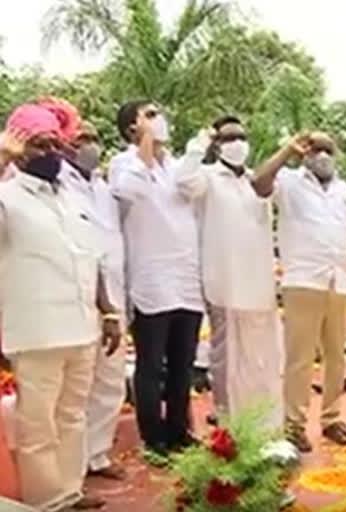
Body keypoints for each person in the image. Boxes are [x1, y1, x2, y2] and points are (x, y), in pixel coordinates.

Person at [0, 104, 121, 511]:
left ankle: (70, 491)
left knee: (72, 417)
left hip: (82, 326)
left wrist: (108, 311)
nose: (51, 152)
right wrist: (2, 159)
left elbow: (92, 256)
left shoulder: (71, 196)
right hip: (36, 332)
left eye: (55, 142)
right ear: (19, 150)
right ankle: (48, 502)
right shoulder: (7, 197)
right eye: (38, 144)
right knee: (38, 427)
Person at [253, 131, 346, 453]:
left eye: (327, 149)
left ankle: (332, 418)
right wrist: (286, 152)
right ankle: (293, 425)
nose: (321, 155)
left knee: (337, 356)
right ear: (305, 154)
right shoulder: (289, 182)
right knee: (300, 359)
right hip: (303, 281)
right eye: (315, 149)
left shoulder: (344, 190)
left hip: (340, 283)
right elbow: (258, 184)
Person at [110, 100, 204, 463]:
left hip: (186, 281)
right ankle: (154, 437)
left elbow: (195, 190)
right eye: (149, 116)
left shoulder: (179, 167)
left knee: (183, 365)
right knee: (151, 365)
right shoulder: (124, 164)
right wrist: (145, 146)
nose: (160, 120)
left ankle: (179, 431)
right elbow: (128, 193)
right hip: (150, 283)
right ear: (132, 129)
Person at [175, 116, 282, 426]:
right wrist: (201, 140)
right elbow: (182, 181)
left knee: (261, 362)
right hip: (225, 283)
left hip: (259, 285)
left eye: (241, 136)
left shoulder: (256, 180)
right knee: (228, 363)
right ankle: (231, 428)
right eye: (229, 138)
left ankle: (264, 427)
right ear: (218, 145)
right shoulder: (206, 177)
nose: (237, 143)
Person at [58, 122, 127, 482]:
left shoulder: (104, 186)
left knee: (111, 378)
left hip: (116, 289)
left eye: (94, 139)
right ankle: (71, 463)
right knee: (77, 383)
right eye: (81, 140)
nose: (90, 146)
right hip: (79, 292)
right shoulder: (60, 184)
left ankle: (96, 454)